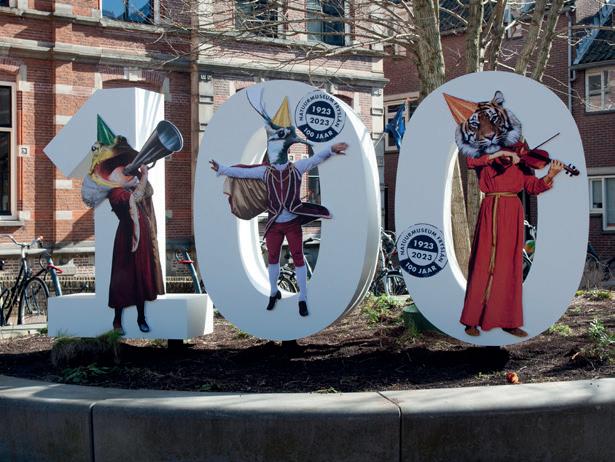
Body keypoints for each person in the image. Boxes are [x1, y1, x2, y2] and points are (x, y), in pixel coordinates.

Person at [210, 141, 348, 317]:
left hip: (292, 223)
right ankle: (274, 292)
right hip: (274, 224)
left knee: (298, 257)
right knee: (273, 258)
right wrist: (222, 168)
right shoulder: (265, 172)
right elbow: (243, 172)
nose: (275, 156)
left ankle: (302, 297)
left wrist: (330, 150)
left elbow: (315, 159)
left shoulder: (296, 168)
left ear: (284, 154)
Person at [460, 148, 564, 337]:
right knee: (483, 263)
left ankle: (509, 322)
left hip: (512, 212)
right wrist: (498, 155)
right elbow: (470, 161)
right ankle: (472, 320)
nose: (518, 150)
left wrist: (551, 175)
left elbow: (533, 187)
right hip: (491, 209)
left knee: (509, 266)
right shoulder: (488, 159)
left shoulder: (523, 166)